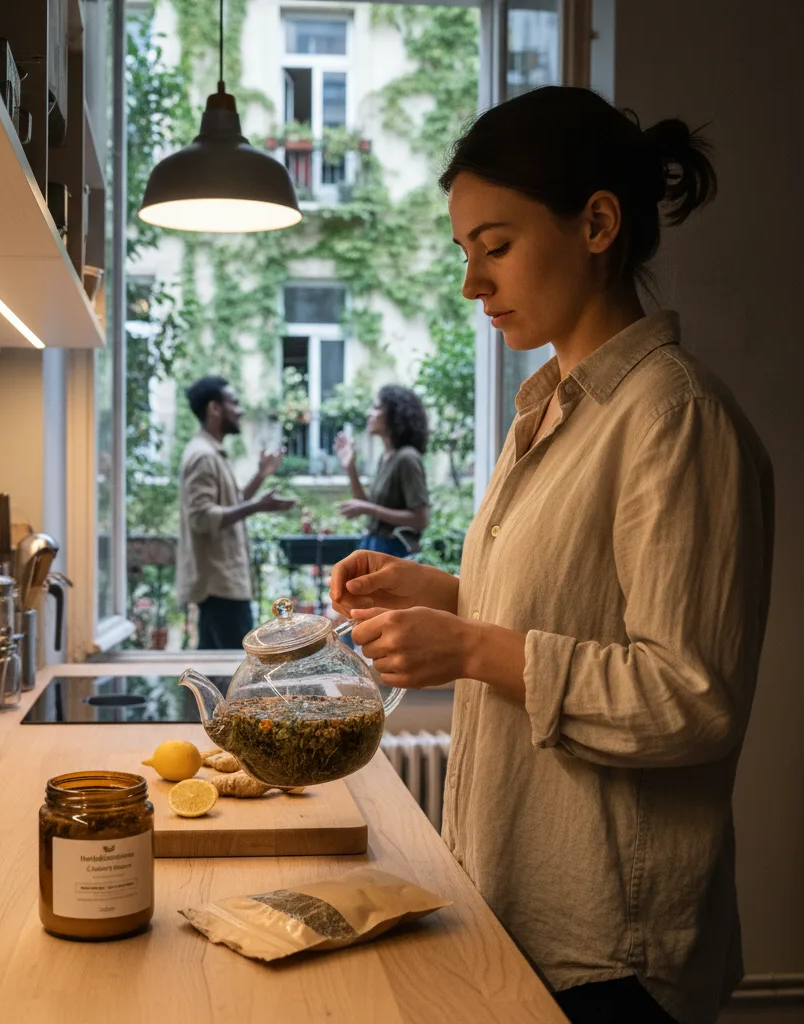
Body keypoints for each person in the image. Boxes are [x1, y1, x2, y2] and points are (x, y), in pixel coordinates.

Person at [329, 87, 773, 1024]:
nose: (472, 283)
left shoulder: (674, 418)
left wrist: (468, 647)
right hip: (520, 906)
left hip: (613, 950)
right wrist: (442, 596)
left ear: (598, 225)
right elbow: (576, 610)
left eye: (495, 247)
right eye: (465, 252)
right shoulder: (548, 410)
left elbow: (690, 698)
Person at [176, 376, 295, 649]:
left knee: (215, 666)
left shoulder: (211, 452)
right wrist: (258, 506)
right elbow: (202, 518)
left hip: (221, 586)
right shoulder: (203, 456)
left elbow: (233, 501)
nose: (240, 411)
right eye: (234, 403)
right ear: (214, 408)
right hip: (220, 587)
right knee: (240, 666)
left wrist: (261, 475)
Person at [333, 385, 430, 557]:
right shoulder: (386, 457)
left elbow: (420, 519)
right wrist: (350, 467)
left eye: (376, 407)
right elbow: (367, 504)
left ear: (395, 414)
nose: (369, 413)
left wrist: (369, 509)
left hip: (394, 551)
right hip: (375, 546)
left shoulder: (407, 458)